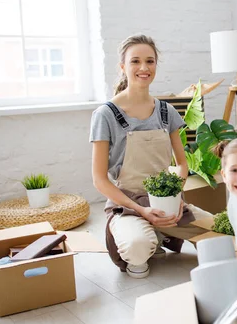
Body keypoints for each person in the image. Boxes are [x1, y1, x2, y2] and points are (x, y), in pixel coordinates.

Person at [90, 34, 212, 279]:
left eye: (150, 61)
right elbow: (99, 180)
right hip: (128, 204)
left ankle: (160, 233)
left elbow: (181, 164)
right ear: (123, 67)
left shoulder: (167, 111)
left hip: (168, 205)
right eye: (135, 61)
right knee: (137, 248)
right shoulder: (105, 115)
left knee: (222, 234)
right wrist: (141, 210)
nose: (144, 68)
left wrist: (175, 199)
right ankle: (144, 238)